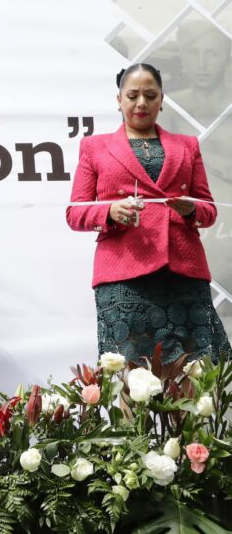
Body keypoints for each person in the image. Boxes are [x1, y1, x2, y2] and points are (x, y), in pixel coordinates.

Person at [66, 63, 230, 364]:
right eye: (132, 96)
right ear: (119, 100)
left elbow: (208, 210)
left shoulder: (187, 145)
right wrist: (110, 212)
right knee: (131, 374)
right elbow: (75, 214)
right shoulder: (94, 147)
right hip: (123, 276)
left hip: (182, 272)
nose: (141, 103)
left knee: (192, 372)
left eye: (150, 95)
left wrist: (191, 209)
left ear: (162, 100)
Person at [170, 19, 231, 127]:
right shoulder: (167, 106)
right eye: (193, 53)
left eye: (212, 54)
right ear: (182, 57)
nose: (201, 64)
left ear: (226, 58)